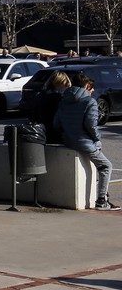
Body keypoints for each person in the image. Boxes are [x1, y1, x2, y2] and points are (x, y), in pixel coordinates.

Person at [54, 73, 118, 210]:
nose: (93, 90)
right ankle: (102, 200)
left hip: (68, 141)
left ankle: (103, 195)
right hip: (84, 142)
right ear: (87, 86)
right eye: (92, 87)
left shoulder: (64, 100)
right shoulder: (89, 102)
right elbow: (91, 126)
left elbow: (56, 124)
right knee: (106, 166)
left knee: (98, 160)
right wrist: (97, 138)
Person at [33, 70, 70, 144]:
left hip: (41, 133)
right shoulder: (59, 99)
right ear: (62, 84)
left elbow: (34, 115)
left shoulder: (40, 96)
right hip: (56, 135)